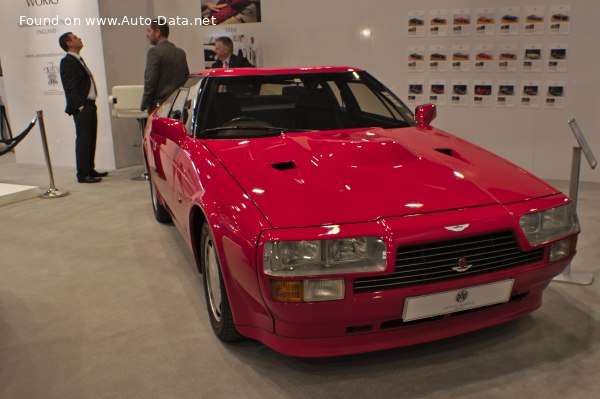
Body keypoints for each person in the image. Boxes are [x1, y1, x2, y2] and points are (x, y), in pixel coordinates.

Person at [59, 32, 107, 183]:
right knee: (84, 139)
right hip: (83, 106)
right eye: (75, 37)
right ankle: (82, 174)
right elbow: (70, 87)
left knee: (90, 138)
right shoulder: (67, 61)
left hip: (89, 105)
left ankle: (89, 169)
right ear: (69, 43)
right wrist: (79, 106)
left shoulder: (78, 60)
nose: (79, 38)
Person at [141, 20, 189, 114]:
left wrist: (144, 104)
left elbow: (150, 81)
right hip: (178, 106)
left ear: (157, 32)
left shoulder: (154, 52)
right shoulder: (180, 53)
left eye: (149, 31)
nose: (147, 35)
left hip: (159, 107)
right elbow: (186, 79)